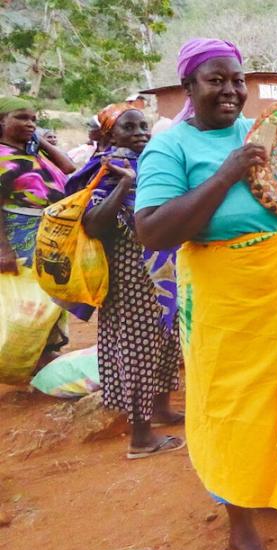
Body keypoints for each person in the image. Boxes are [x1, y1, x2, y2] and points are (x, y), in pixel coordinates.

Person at [134, 38, 277, 550]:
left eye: (236, 80)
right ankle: (240, 528)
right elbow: (152, 230)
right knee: (234, 407)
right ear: (189, 88)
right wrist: (225, 174)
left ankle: (274, 483)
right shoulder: (170, 148)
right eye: (215, 80)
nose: (230, 90)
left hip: (276, 285)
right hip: (223, 299)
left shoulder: (256, 131)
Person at [68, 103, 184, 458]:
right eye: (128, 128)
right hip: (129, 275)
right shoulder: (102, 171)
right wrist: (125, 186)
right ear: (108, 135)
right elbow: (94, 223)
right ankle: (140, 437)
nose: (139, 134)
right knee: (138, 350)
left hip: (163, 270)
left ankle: (161, 409)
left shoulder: (150, 161)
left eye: (142, 127)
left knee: (168, 339)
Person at [0, 96, 70, 364]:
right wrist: (3, 248)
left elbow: (69, 167)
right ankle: (24, 358)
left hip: (49, 234)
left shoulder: (33, 153)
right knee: (26, 301)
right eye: (21, 117)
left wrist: (38, 140)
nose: (30, 123)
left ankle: (46, 353)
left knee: (50, 293)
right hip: (20, 236)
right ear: (1, 121)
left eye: (33, 119)